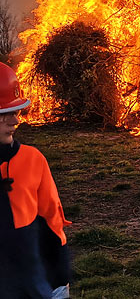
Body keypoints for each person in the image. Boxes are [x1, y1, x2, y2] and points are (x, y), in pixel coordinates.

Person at [0, 62, 71, 298]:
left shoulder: (32, 160)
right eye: (3, 115)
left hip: (34, 286)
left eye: (16, 112)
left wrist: (59, 281)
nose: (15, 121)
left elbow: (52, 221)